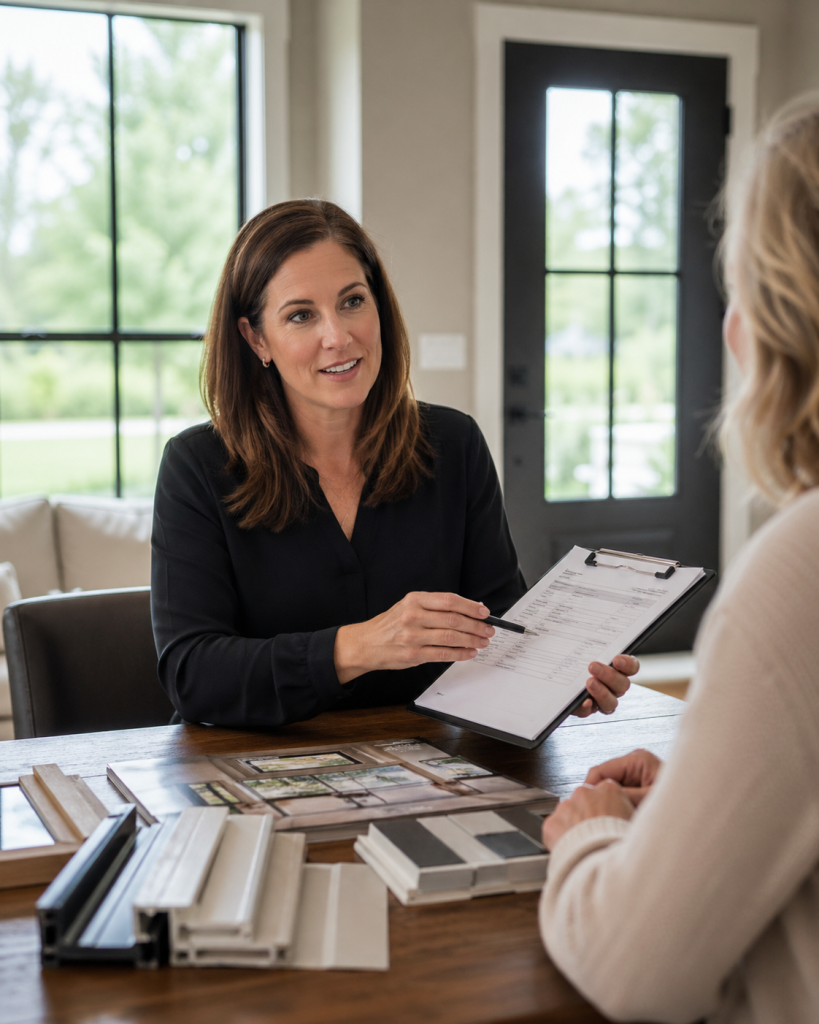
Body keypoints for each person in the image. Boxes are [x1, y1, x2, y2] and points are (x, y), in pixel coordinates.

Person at [537, 94, 819, 1024]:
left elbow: (634, 971)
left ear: (768, 322)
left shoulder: (796, 576)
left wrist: (586, 838)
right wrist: (712, 800)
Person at [151, 199, 636, 730]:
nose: (337, 336)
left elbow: (498, 628)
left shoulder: (455, 444)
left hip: (431, 763)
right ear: (256, 338)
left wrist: (559, 678)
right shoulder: (196, 465)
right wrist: (358, 646)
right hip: (247, 770)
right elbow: (192, 674)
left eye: (352, 301)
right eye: (300, 315)